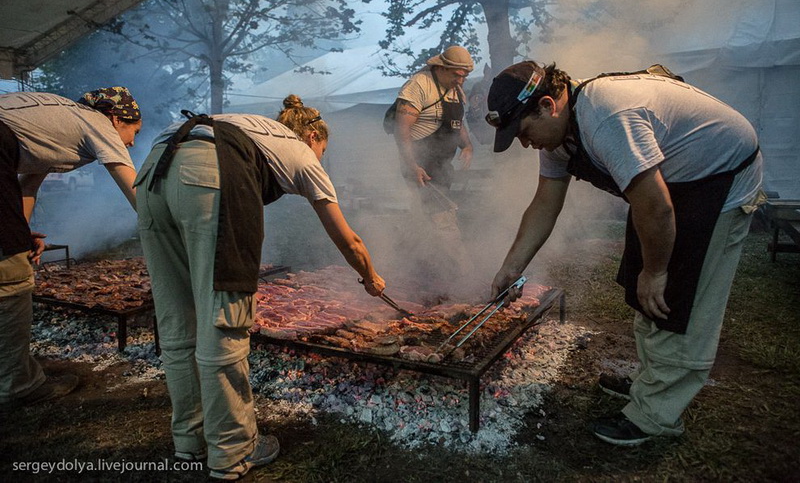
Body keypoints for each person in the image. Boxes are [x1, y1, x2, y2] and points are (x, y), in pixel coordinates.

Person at [486, 60, 763, 445]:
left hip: (717, 180)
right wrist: (510, 267)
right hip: (667, 187)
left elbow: (657, 208)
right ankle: (650, 378)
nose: (525, 142)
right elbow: (545, 204)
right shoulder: (559, 133)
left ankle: (655, 416)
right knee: (643, 286)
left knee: (677, 297)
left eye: (524, 131)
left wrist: (657, 271)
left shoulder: (606, 118)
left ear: (548, 105)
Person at [133, 96, 386, 480]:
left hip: (152, 172)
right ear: (313, 136)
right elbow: (349, 240)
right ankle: (233, 452)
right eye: (323, 151)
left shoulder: (254, 128)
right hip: (209, 173)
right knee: (224, 314)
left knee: (177, 314)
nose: (320, 158)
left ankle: (190, 439)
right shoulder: (300, 152)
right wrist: (370, 277)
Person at [0, 87, 142, 410]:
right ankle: (18, 384)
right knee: (11, 273)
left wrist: (18, 234)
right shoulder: (98, 122)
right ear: (117, 118)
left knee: (9, 254)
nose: (132, 142)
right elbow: (136, 193)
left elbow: (28, 185)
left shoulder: (57, 119)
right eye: (134, 132)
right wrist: (172, 234)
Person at [392, 45, 476, 293]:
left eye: (464, 76)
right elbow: (402, 131)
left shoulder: (456, 91)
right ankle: (465, 276)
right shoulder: (418, 86)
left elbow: (457, 123)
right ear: (440, 67)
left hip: (442, 164)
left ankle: (407, 264)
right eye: (456, 75)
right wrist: (412, 165)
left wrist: (467, 146)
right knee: (443, 216)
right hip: (418, 162)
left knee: (421, 216)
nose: (460, 80)